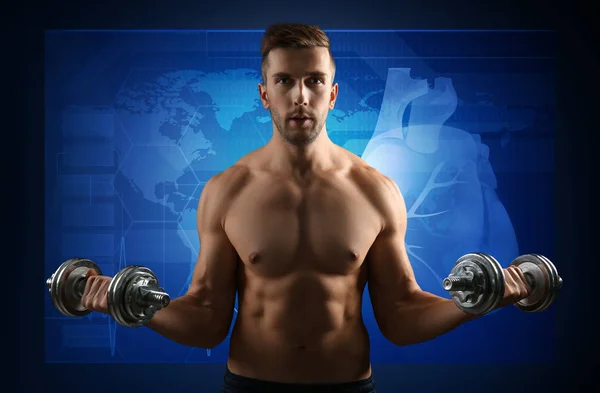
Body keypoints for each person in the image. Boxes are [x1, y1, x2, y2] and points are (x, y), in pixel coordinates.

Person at [81, 23, 532, 393]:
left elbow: (400, 316)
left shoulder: (376, 191)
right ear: (264, 95)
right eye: (284, 81)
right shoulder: (227, 190)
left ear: (332, 95)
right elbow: (206, 319)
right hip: (250, 388)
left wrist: (476, 301)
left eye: (314, 80)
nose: (300, 96)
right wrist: (131, 303)